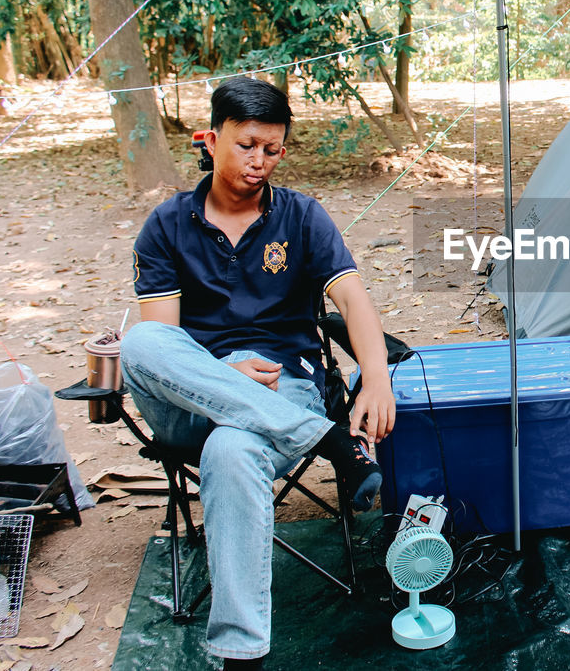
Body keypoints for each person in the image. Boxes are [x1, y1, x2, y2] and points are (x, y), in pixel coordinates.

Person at [121, 77, 396, 671]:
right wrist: (223, 371)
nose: (259, 161)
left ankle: (240, 657)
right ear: (211, 138)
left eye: (272, 150)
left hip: (280, 382)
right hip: (193, 399)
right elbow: (166, 343)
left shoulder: (300, 217)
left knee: (232, 449)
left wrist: (375, 377)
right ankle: (329, 442)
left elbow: (353, 300)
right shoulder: (166, 226)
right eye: (247, 145)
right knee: (141, 340)